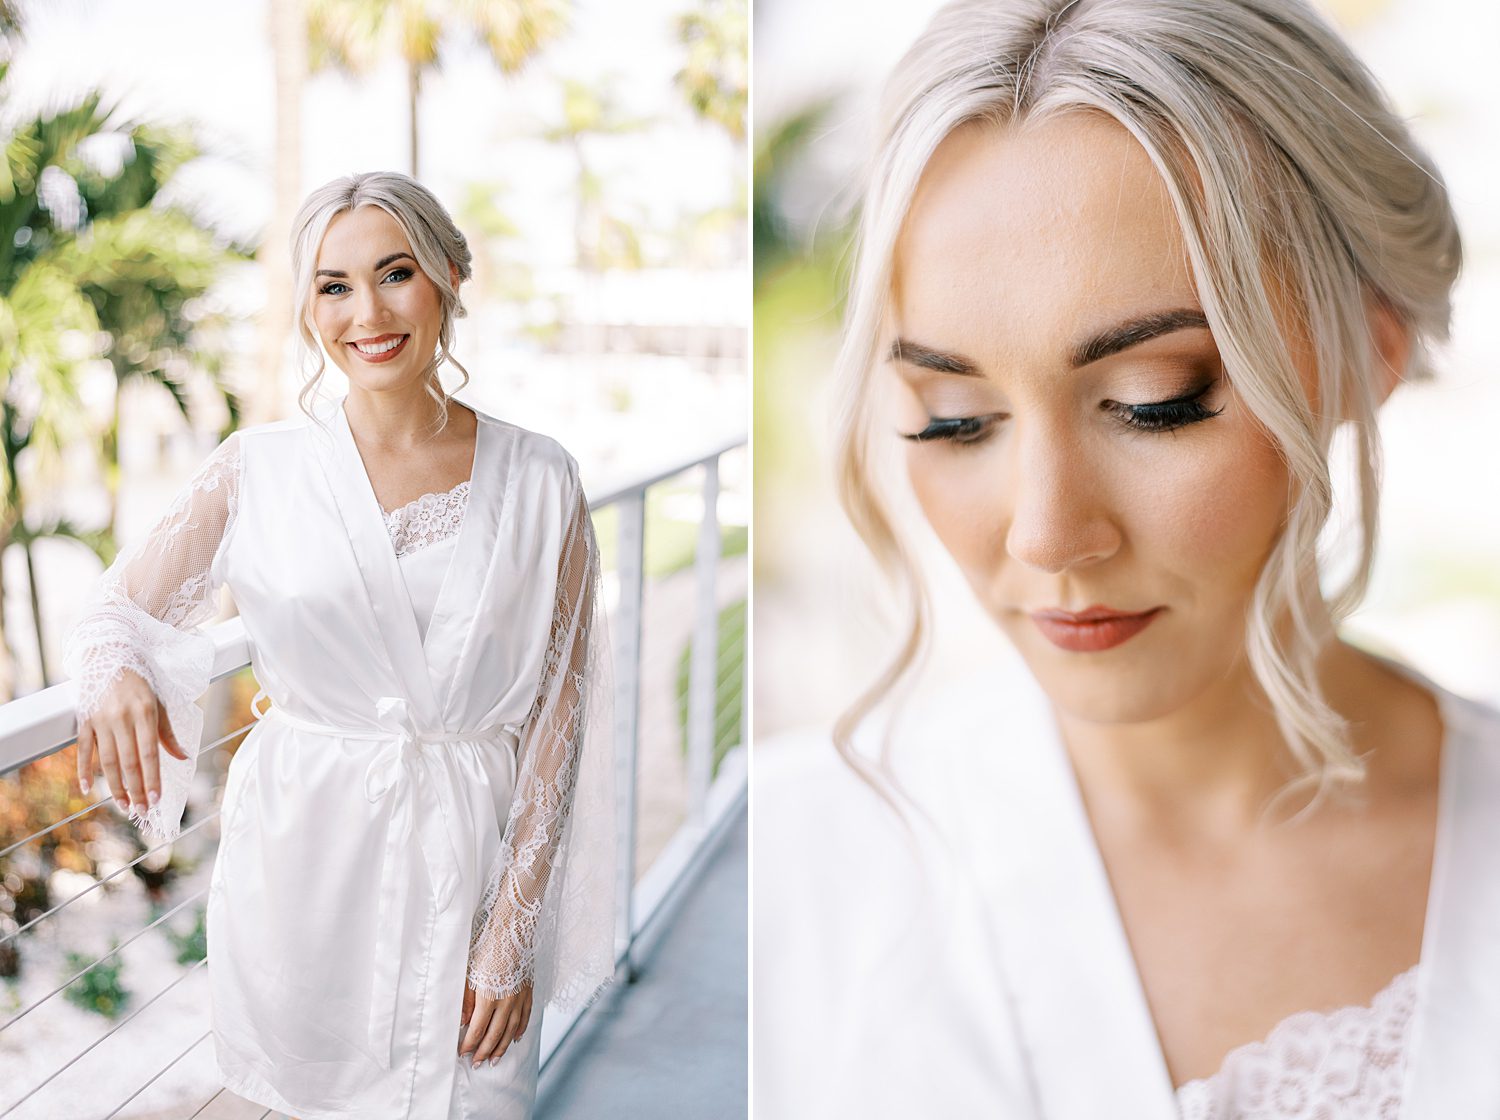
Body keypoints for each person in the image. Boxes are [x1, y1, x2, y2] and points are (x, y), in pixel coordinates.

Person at [753, 1, 1500, 1117]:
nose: (1048, 533)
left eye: (1153, 403)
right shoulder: (789, 864)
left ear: (1365, 353)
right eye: (955, 418)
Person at [62, 171, 616, 1120]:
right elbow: (116, 605)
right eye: (333, 285)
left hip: (471, 878)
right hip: (301, 881)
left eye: (395, 273)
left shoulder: (542, 480)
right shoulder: (257, 470)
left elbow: (558, 720)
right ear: (308, 307)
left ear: (447, 276)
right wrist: (114, 670)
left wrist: (512, 934)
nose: (368, 311)